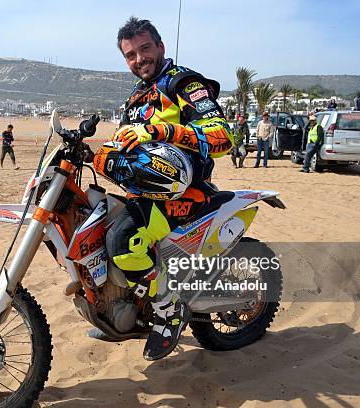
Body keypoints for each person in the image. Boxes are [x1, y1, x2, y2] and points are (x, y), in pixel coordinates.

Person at [101, 17, 233, 361]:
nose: (139, 58)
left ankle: (169, 309)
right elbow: (128, 140)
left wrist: (164, 133)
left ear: (160, 46)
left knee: (121, 242)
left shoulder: (184, 83)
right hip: (146, 190)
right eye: (130, 54)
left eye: (145, 49)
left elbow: (223, 137)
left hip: (184, 195)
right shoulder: (139, 93)